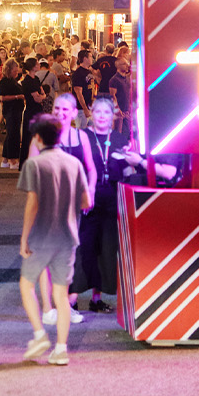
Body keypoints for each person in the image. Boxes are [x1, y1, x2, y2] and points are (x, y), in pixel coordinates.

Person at [18, 115, 91, 366]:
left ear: (37, 138)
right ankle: (61, 349)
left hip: (41, 236)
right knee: (61, 294)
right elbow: (86, 202)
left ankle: (39, 335)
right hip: (68, 236)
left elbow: (32, 203)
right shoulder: (74, 163)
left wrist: (24, 237)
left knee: (27, 284)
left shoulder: (34, 164)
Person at [74, 96, 130, 312]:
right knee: (83, 248)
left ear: (113, 115)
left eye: (106, 113)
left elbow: (126, 171)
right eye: (98, 112)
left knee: (105, 250)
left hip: (111, 200)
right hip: (87, 199)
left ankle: (96, 298)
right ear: (92, 113)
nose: (102, 116)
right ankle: (72, 298)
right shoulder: (83, 137)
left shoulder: (119, 139)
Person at [0, 58, 24, 170]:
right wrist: (18, 97)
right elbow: (2, 97)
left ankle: (5, 159)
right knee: (13, 135)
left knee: (11, 135)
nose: (16, 72)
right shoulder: (4, 82)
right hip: (11, 110)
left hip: (16, 110)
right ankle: (12, 160)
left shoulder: (13, 81)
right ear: (9, 70)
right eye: (14, 71)